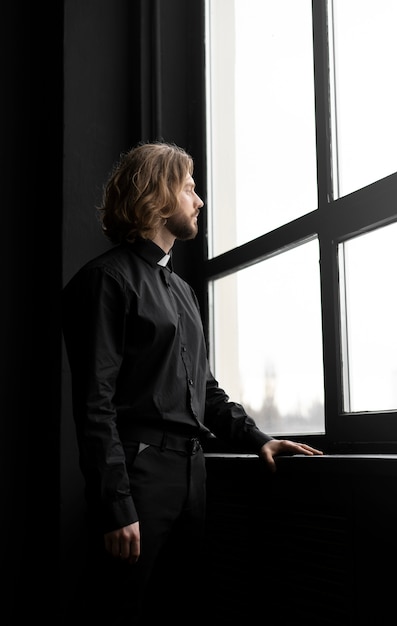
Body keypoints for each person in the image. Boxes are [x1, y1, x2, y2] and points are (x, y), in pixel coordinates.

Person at [62, 141, 323, 623]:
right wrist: (115, 505)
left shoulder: (181, 291)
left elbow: (204, 390)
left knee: (180, 613)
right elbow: (93, 405)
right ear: (158, 195)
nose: (199, 200)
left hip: (193, 478)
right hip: (139, 478)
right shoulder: (104, 281)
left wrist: (260, 439)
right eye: (189, 188)